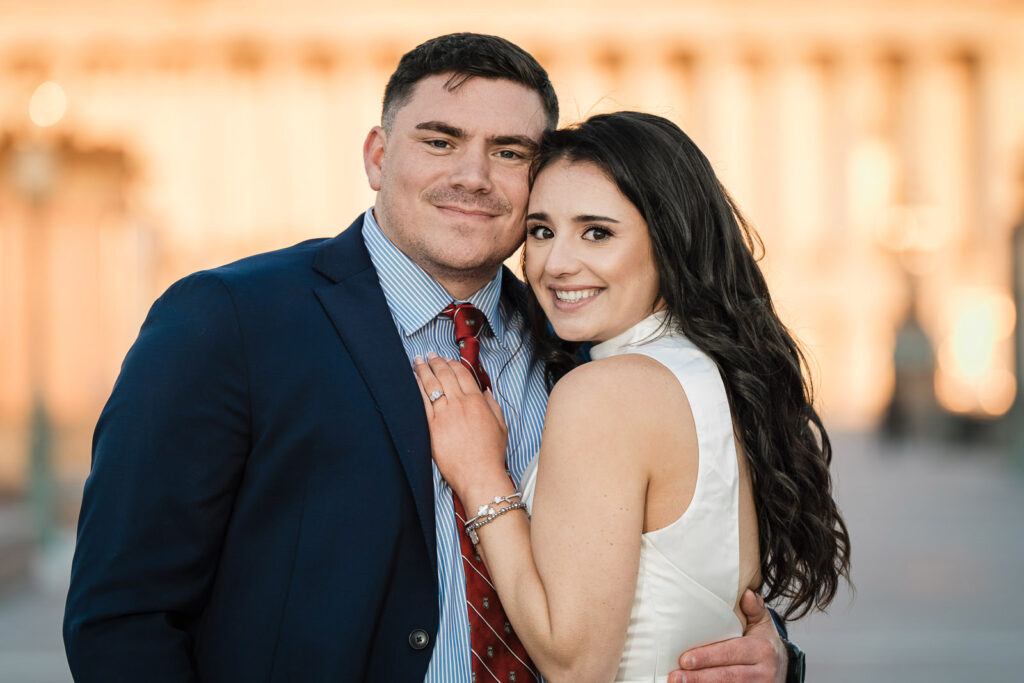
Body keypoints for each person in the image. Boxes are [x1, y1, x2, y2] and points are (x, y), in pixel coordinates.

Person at [64, 34, 796, 682]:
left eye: (509, 153)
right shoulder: (227, 321)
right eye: (441, 141)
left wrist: (764, 652)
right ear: (378, 158)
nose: (474, 175)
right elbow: (123, 615)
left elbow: (659, 574)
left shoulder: (581, 348)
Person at [415, 111, 850, 682]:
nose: (556, 264)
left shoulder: (605, 393)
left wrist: (480, 478)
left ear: (667, 241)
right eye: (542, 231)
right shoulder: (707, 371)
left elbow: (575, 667)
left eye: (597, 232)